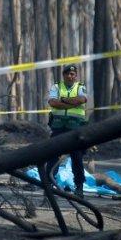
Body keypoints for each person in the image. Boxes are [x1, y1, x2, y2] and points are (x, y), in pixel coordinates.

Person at [44, 64, 88, 197]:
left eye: (73, 74)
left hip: (75, 128)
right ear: (63, 75)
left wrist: (62, 100)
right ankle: (48, 185)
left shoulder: (80, 86)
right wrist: (70, 103)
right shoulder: (56, 86)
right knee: (53, 157)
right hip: (58, 127)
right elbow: (52, 102)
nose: (70, 76)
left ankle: (79, 187)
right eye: (67, 74)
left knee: (77, 158)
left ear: (76, 76)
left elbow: (82, 100)